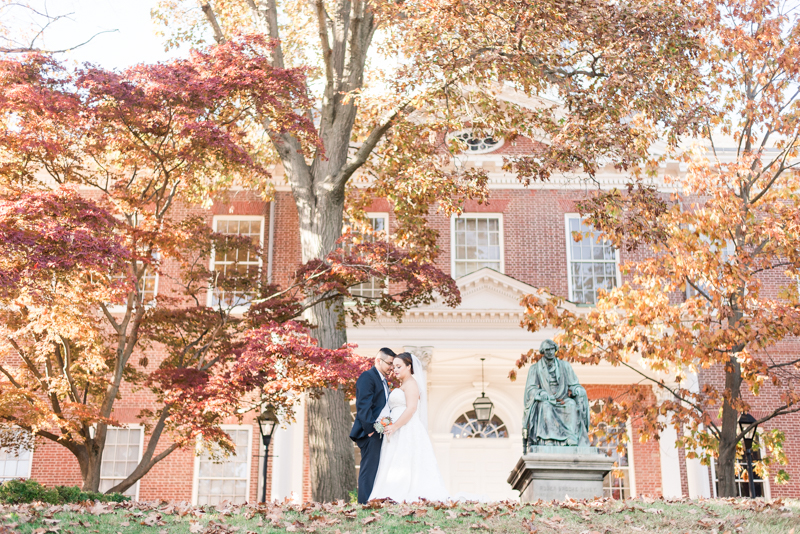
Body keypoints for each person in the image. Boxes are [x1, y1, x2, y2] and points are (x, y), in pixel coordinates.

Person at [368, 352, 449, 502]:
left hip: (405, 428)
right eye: (394, 367)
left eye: (399, 366)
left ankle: (402, 494)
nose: (395, 370)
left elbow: (411, 409)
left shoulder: (412, 383)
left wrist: (394, 426)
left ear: (409, 366)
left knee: (405, 459)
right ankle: (389, 493)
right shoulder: (403, 385)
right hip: (397, 428)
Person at [522, 339, 590, 448]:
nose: (550, 352)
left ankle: (570, 437)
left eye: (552, 349)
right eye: (547, 350)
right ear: (543, 351)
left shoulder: (565, 366)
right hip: (546, 399)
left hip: (562, 398)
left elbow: (573, 384)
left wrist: (578, 390)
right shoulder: (535, 369)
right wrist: (542, 394)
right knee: (545, 407)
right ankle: (548, 438)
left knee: (571, 405)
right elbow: (531, 389)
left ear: (555, 350)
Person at [350, 347, 395, 504]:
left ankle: (374, 502)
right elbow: (363, 406)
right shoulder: (367, 377)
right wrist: (370, 431)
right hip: (371, 433)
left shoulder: (384, 381)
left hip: (381, 431)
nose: (391, 367)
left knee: (377, 470)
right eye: (389, 363)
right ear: (378, 360)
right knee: (369, 471)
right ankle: (364, 505)